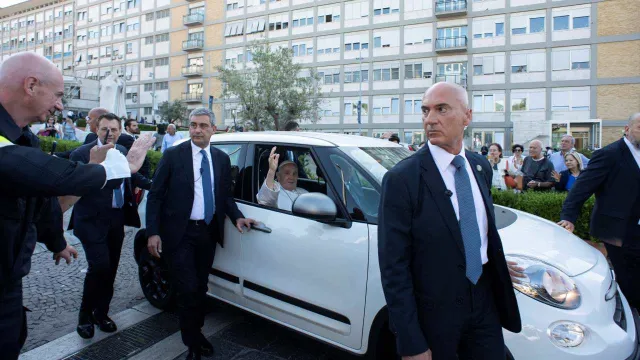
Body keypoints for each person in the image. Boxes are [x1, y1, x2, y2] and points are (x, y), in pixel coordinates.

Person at [0, 52, 153, 360]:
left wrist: (57, 242)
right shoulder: (13, 149)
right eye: (57, 95)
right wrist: (122, 167)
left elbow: (40, 202)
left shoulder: (24, 138)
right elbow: (54, 175)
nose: (60, 105)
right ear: (30, 85)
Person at [378, 82, 521, 359]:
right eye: (425, 110)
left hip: (484, 302)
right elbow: (394, 268)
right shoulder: (402, 179)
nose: (430, 119)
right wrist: (411, 342)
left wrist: (496, 261)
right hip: (434, 314)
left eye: (442, 109)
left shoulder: (480, 167)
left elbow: (480, 230)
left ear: (467, 116)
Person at [146, 108, 258, 360]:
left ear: (213, 129)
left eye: (203, 125)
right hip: (179, 234)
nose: (197, 130)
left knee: (200, 287)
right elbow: (155, 195)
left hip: (207, 233)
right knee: (187, 289)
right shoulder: (174, 155)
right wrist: (152, 232)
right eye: (193, 125)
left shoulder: (220, 158)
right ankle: (193, 343)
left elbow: (224, 196)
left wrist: (238, 216)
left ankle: (195, 333)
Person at [70, 113, 153, 339]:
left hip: (116, 219)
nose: (110, 133)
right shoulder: (82, 153)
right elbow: (76, 184)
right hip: (90, 220)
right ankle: (84, 316)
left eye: (114, 130)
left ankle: (102, 313)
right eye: (105, 128)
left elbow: (132, 176)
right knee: (99, 266)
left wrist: (156, 186)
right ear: (97, 129)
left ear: (120, 131)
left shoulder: (122, 152)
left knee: (111, 268)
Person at [559, 113, 640, 310]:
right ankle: (628, 321)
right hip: (619, 230)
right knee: (630, 282)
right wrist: (568, 217)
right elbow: (582, 187)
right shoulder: (610, 154)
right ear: (627, 129)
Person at [256, 146, 309, 211]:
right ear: (278, 176)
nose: (291, 177)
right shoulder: (275, 191)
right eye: (287, 173)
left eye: (294, 173)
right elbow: (264, 201)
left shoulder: (304, 192)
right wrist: (272, 170)